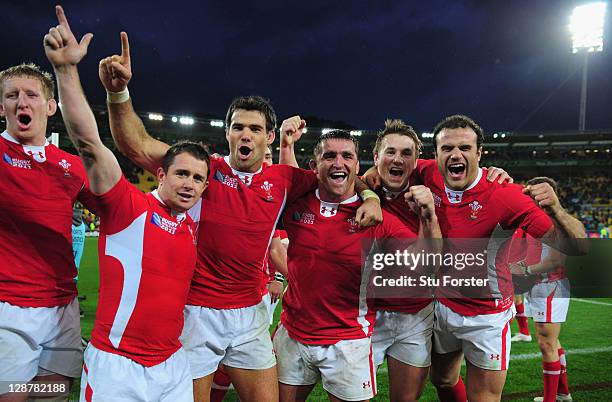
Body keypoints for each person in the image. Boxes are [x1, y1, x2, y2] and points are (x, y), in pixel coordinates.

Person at [97, 33, 382, 402]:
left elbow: (336, 175)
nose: (246, 135)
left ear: (268, 136)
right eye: (238, 127)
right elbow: (136, 145)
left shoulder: (283, 180)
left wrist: (370, 194)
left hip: (250, 313)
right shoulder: (202, 170)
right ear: (228, 133)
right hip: (197, 312)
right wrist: (118, 94)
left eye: (255, 128)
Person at [43, 6, 209, 400]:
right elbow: (89, 143)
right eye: (182, 174)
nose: (190, 184)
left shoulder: (193, 222)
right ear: (161, 174)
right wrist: (66, 71)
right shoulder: (126, 208)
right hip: (117, 366)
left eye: (199, 178)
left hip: (172, 366)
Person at [419, 115, 586, 402]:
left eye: (465, 148)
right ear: (435, 155)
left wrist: (556, 209)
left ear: (479, 153)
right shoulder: (428, 174)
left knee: (483, 397)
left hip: (487, 316)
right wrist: (370, 192)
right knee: (443, 379)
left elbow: (577, 248)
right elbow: (384, 170)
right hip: (443, 306)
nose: (455, 154)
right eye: (447, 148)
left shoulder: (507, 194)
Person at [274, 130, 420, 402]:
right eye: (329, 156)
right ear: (314, 167)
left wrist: (429, 216)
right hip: (292, 335)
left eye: (347, 156)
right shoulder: (295, 205)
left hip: (348, 341)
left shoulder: (378, 220)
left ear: (357, 166)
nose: (338, 163)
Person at [0, 59, 98, 402]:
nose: (21, 102)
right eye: (12, 95)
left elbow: (116, 208)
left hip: (60, 310)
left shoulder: (69, 166)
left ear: (51, 106)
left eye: (31, 94)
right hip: (8, 308)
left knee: (52, 395)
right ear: (2, 107)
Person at [508, 177, 572, 402]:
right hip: (540, 285)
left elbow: (556, 260)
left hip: (549, 285)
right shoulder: (533, 220)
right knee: (553, 343)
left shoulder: (554, 222)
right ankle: (563, 394)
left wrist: (524, 269)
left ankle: (550, 399)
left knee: (546, 344)